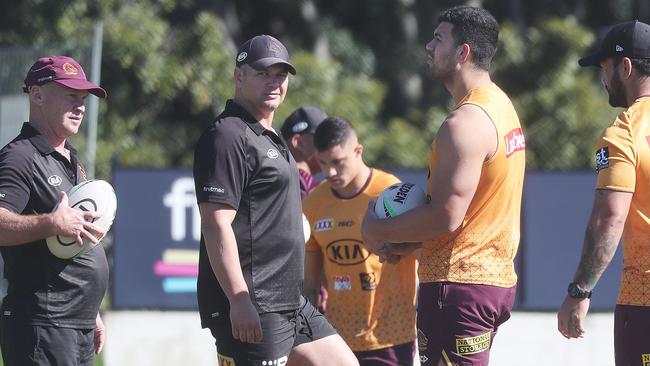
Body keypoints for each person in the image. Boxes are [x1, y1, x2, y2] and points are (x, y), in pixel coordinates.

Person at [361, 6, 525, 365]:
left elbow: (447, 217)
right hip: (490, 282)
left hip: (457, 287)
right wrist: (409, 244)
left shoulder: (463, 123)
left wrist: (376, 228)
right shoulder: (501, 105)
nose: (428, 46)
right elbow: (474, 213)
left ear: (462, 52)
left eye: (438, 38)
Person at [193, 34, 358, 366]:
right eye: (263, 73)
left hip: (290, 302)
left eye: (280, 75)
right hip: (254, 304)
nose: (274, 82)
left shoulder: (268, 134)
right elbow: (216, 225)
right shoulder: (226, 136)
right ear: (239, 76)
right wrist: (239, 299)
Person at [0, 55, 109, 365]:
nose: (81, 106)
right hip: (42, 327)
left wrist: (91, 311)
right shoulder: (20, 157)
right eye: (70, 95)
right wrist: (51, 223)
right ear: (37, 94)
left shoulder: (71, 159)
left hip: (75, 324)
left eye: (84, 98)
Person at [557, 20, 650, 366]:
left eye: (605, 67)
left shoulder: (623, 133)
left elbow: (610, 218)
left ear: (625, 67)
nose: (602, 78)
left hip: (644, 301)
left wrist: (579, 291)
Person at [303, 117, 419, 365]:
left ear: (358, 151)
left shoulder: (392, 193)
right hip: (336, 339)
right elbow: (310, 283)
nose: (329, 172)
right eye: (322, 163)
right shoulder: (313, 203)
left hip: (390, 337)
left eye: (337, 162)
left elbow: (423, 251)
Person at [281, 106, 328, 198]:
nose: (329, 146)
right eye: (324, 140)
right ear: (299, 143)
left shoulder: (278, 174)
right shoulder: (301, 181)